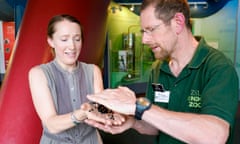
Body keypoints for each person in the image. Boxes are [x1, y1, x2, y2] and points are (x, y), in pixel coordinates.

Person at [85, 0, 239, 144]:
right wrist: (130, 121)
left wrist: (138, 106)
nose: (144, 40)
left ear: (178, 22)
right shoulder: (158, 68)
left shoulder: (218, 67)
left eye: (151, 30)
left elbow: (214, 136)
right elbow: (156, 124)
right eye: (143, 32)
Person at [28, 14, 124, 144]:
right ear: (51, 41)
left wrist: (112, 112)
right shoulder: (38, 74)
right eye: (64, 39)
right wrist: (82, 113)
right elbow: (51, 124)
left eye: (77, 39)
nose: (72, 46)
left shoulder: (93, 71)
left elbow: (101, 109)